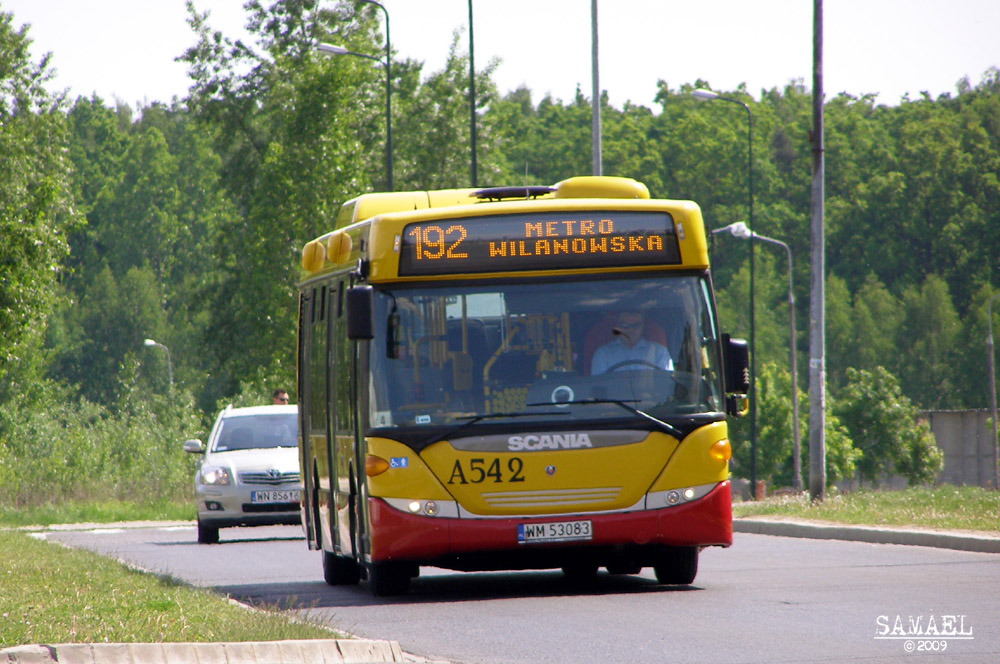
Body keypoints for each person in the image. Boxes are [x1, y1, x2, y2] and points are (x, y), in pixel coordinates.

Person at [591, 311, 673, 374]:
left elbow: (667, 383)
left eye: (635, 326)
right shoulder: (603, 353)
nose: (630, 330)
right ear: (618, 327)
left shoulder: (659, 352)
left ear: (642, 326)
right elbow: (598, 388)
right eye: (625, 326)